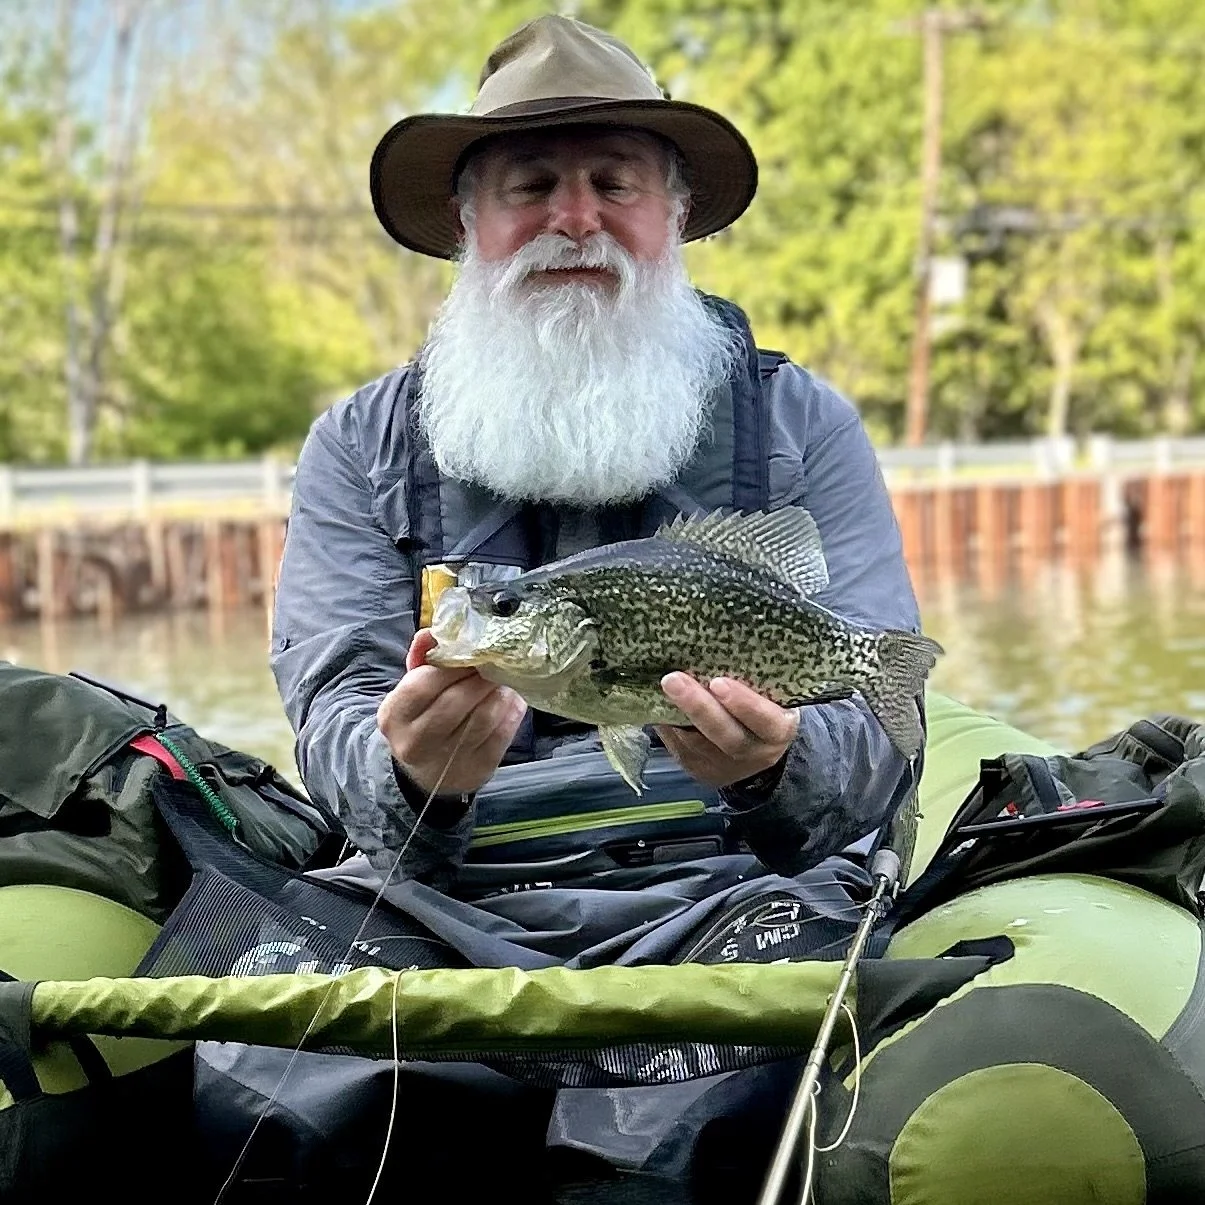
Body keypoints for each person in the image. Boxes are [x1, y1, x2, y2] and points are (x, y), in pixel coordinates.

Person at [266, 13, 929, 1197]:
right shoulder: (356, 446)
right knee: (268, 1095)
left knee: (670, 1147)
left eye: (612, 183)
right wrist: (410, 773)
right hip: (444, 906)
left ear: (672, 213)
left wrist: (777, 765)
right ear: (467, 222)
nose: (573, 220)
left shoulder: (802, 424)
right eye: (530, 185)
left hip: (735, 895)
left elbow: (877, 734)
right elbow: (333, 721)